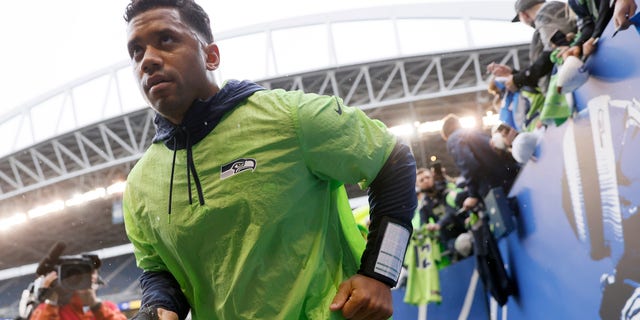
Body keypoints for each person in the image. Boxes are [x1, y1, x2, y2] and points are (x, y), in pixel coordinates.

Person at [121, 0, 417, 319]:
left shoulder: (292, 118)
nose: (147, 60)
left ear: (211, 56)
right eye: (136, 51)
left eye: (166, 40)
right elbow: (159, 269)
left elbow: (393, 160)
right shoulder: (139, 186)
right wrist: (157, 305)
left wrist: (378, 274)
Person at [440, 114, 520, 211]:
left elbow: (468, 162)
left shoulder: (453, 139)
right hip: (511, 176)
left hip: (495, 186)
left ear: (446, 134)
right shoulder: (475, 133)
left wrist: (473, 194)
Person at [29, 268, 127, 320]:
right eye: (76, 275)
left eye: (90, 272)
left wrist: (96, 305)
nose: (84, 278)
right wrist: (52, 302)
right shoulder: (47, 308)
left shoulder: (107, 307)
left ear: (97, 278)